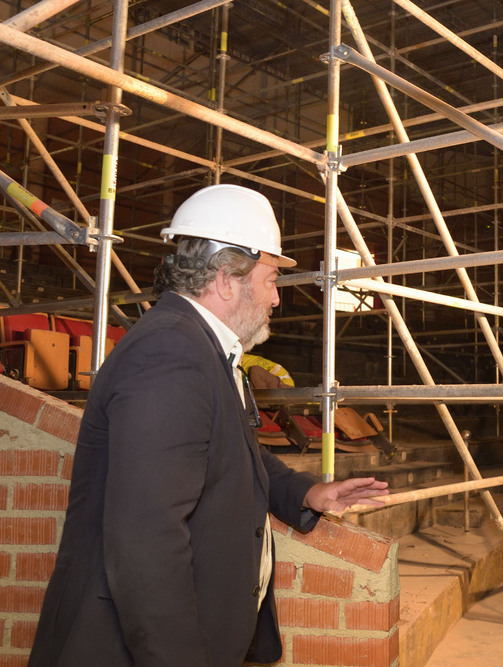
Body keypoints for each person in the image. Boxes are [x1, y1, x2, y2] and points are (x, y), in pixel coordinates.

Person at [29, 184, 389, 667]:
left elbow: (230, 448)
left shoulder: (200, 346)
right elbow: (146, 539)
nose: (276, 299)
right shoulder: (171, 356)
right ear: (226, 280)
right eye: (270, 280)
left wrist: (303, 493)